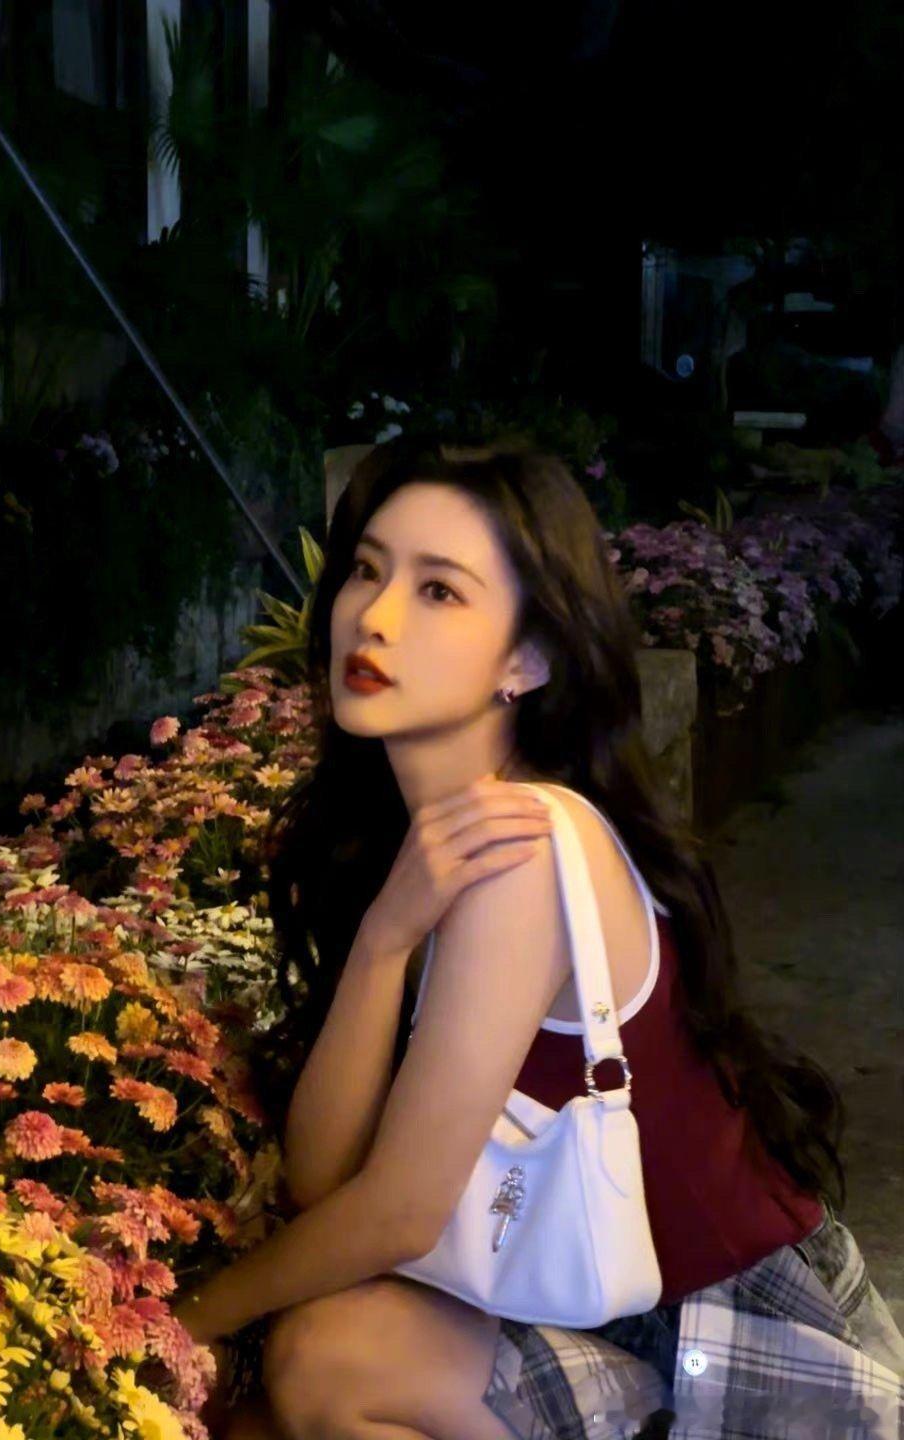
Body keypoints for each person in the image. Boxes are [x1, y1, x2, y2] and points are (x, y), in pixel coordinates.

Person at [177, 436, 904, 1439]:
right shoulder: (425, 846)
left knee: (324, 1362)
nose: (375, 616)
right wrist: (385, 938)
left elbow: (398, 1214)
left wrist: (184, 1323)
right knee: (271, 1407)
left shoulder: (525, 849)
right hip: (596, 1306)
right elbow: (325, 1181)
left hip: (727, 1349)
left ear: (528, 659)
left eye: (439, 591)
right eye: (367, 570)